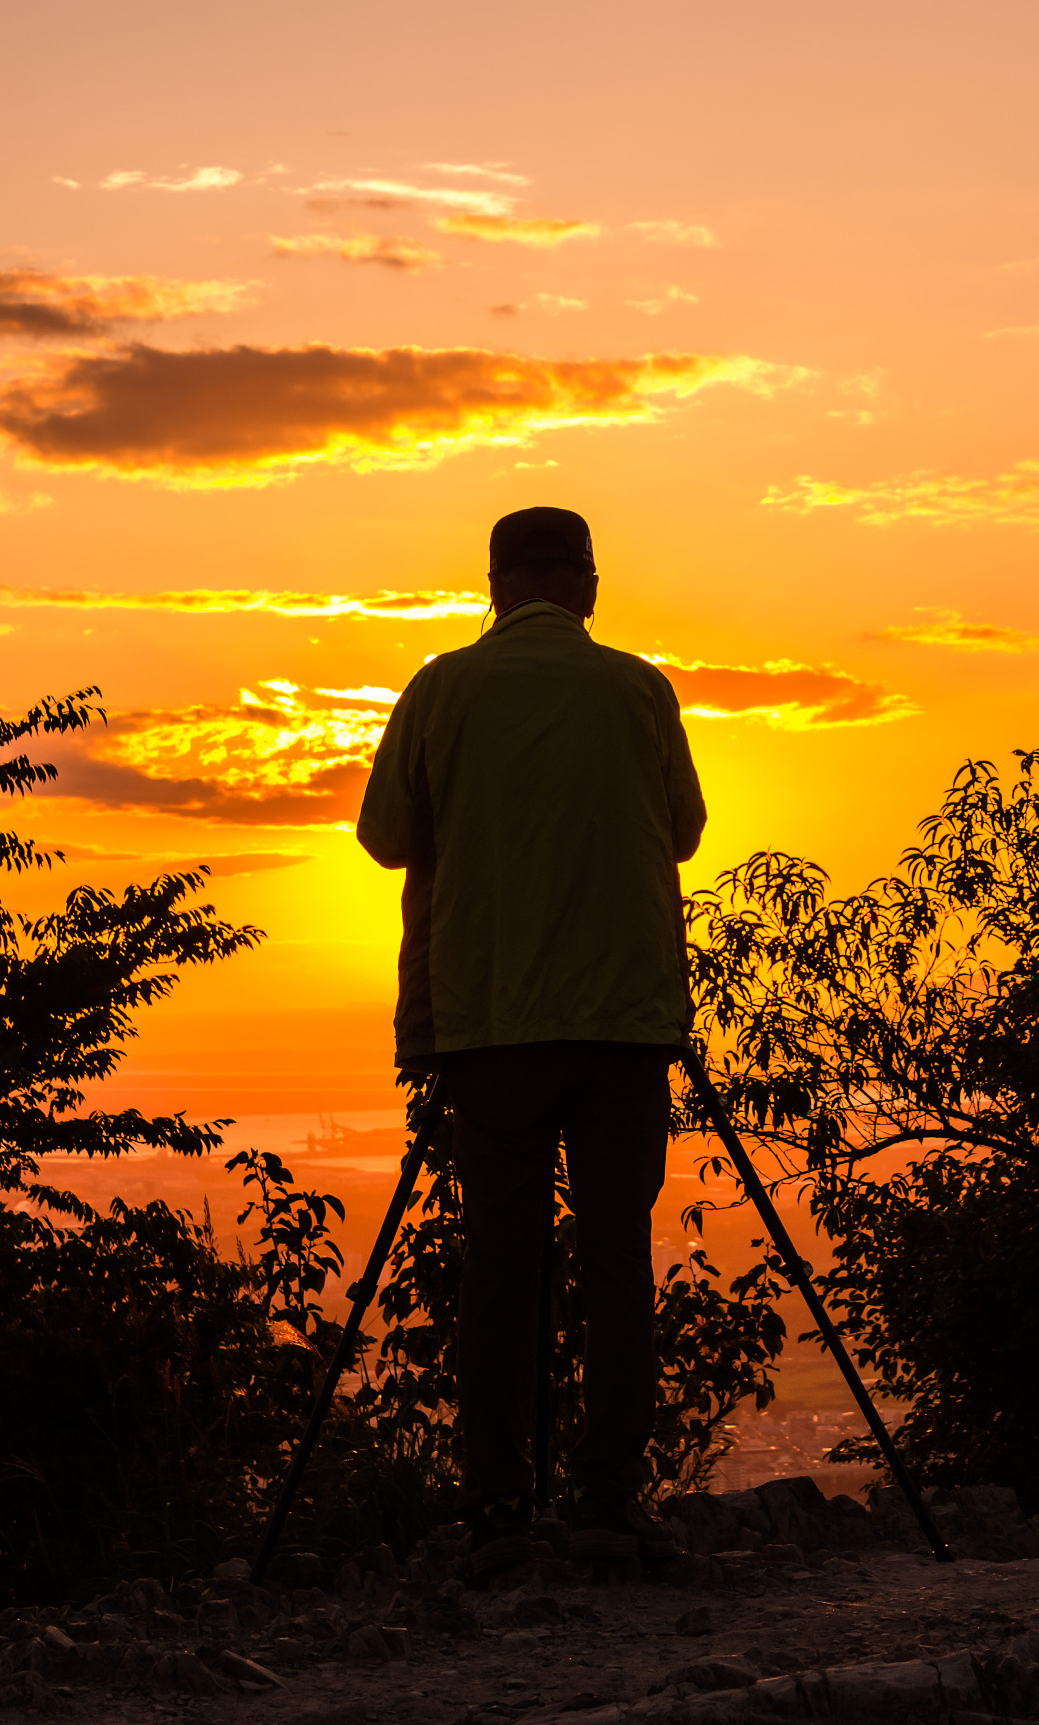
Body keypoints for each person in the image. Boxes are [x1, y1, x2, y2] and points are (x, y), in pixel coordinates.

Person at [357, 506, 706, 1572]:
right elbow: (685, 829)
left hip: (489, 1025)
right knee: (615, 1262)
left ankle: (498, 1503)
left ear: (498, 587)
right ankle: (609, 1499)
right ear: (588, 587)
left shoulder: (440, 688)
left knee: (500, 1266)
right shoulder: (641, 689)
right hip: (623, 1026)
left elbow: (383, 839)